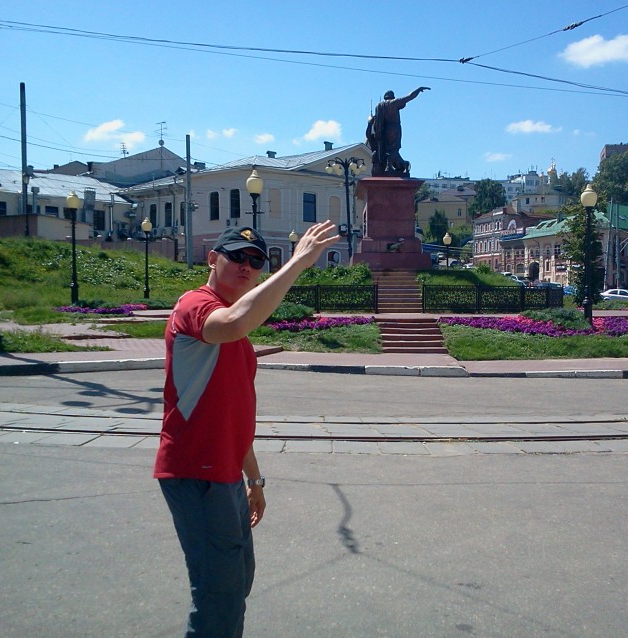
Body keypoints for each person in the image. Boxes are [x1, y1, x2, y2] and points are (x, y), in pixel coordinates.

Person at [154, 220, 339, 637]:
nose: (247, 265)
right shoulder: (195, 305)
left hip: (225, 476)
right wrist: (295, 264)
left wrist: (253, 478)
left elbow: (234, 415)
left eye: (256, 261)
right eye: (237, 256)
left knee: (237, 580)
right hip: (195, 470)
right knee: (220, 598)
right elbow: (235, 321)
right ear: (212, 258)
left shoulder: (238, 334)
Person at [371, 86, 430, 175]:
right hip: (394, 128)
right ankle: (389, 166)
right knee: (394, 148)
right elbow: (409, 97)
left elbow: (376, 121)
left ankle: (389, 165)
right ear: (392, 97)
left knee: (387, 149)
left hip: (383, 130)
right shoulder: (394, 103)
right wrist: (418, 89)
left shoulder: (379, 106)